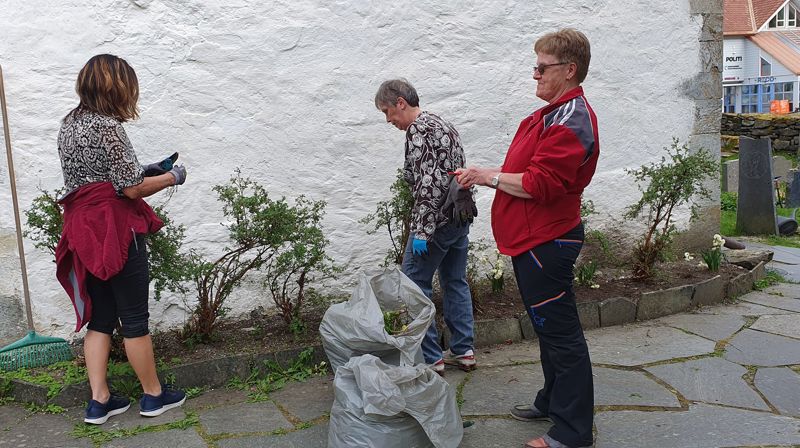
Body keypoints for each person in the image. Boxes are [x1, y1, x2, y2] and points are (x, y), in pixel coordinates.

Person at [454, 29, 598, 448]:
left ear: (569, 70)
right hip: (534, 240)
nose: (535, 75)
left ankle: (573, 432)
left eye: (542, 67)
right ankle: (553, 401)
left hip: (547, 242)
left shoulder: (572, 120)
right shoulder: (554, 114)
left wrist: (487, 176)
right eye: (535, 66)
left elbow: (542, 183)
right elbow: (530, 170)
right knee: (547, 328)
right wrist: (490, 176)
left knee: (561, 334)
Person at [55, 54, 188, 425]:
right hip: (115, 230)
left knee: (99, 318)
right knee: (133, 317)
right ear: (116, 86)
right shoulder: (109, 128)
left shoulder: (70, 124)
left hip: (84, 230)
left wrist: (147, 169)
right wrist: (172, 177)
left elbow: (98, 179)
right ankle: (153, 396)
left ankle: (99, 401)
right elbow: (129, 189)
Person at [374, 79, 476, 374]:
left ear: (400, 103)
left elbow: (428, 185)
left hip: (437, 223)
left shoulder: (419, 130)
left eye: (387, 111)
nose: (388, 120)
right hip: (459, 217)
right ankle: (464, 350)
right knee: (455, 282)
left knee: (414, 285)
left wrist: (422, 231)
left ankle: (431, 357)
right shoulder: (443, 123)